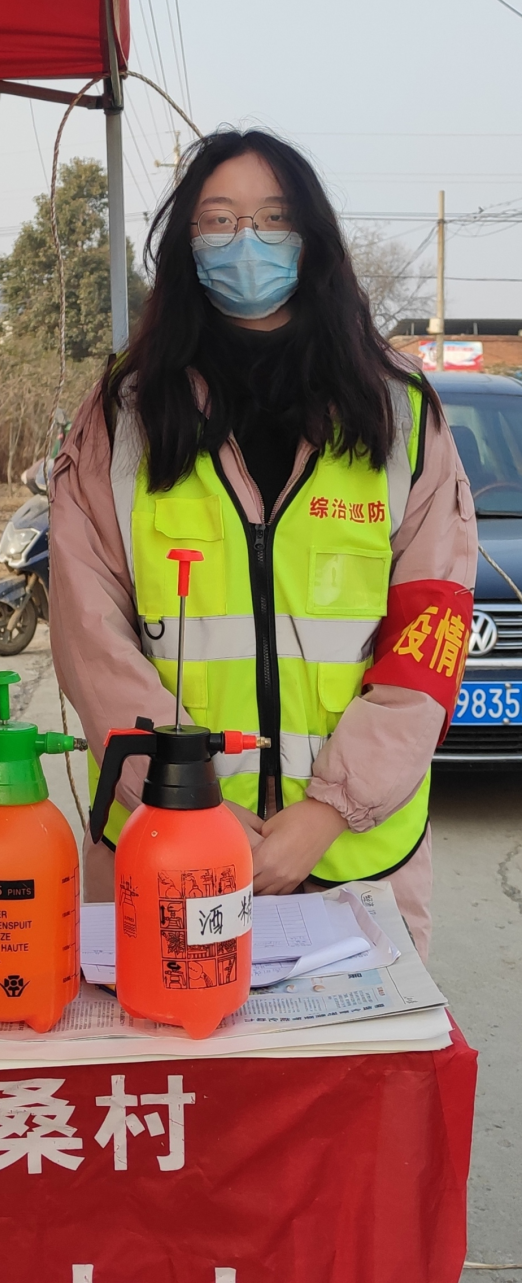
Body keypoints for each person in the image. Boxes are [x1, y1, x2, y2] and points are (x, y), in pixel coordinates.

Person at [49, 129, 476, 958]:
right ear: (185, 244)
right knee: (169, 1041)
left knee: (359, 1049)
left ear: (311, 237)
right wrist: (187, 800)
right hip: (166, 843)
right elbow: (89, 634)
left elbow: (430, 633)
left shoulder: (398, 412)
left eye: (273, 217)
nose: (247, 241)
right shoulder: (125, 414)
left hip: (356, 860)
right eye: (219, 220)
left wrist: (328, 811)